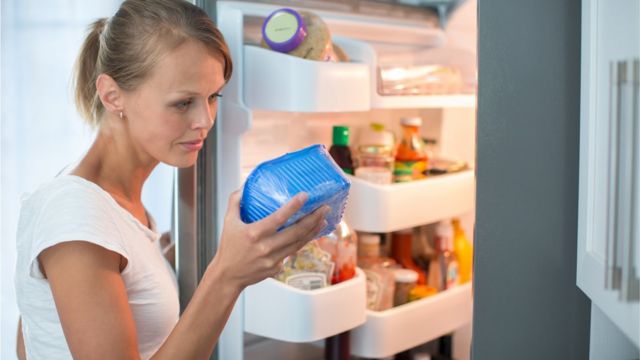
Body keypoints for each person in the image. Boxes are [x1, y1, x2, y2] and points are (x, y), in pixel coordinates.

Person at [14, 1, 329, 359]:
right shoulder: (75, 215)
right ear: (112, 95)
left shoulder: (115, 207)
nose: (205, 120)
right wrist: (227, 275)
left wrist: (165, 260)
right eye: (183, 103)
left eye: (213, 97)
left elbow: (31, 337)